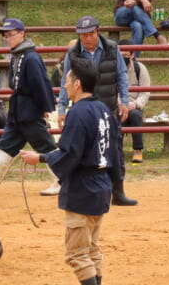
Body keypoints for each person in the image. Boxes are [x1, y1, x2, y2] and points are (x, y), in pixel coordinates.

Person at [19, 57, 114, 285]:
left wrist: (40, 157)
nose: (64, 86)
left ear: (77, 84)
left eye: (67, 81)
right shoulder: (104, 110)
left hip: (83, 188)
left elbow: (69, 154)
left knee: (76, 252)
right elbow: (113, 150)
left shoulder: (79, 113)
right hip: (101, 185)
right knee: (92, 248)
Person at [58, 16, 137, 206]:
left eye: (90, 34)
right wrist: (62, 107)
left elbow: (121, 76)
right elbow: (65, 82)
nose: (87, 38)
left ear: (97, 32)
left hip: (108, 106)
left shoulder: (112, 48)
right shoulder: (73, 52)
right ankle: (80, 188)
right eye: (83, 35)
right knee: (82, 149)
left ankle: (118, 191)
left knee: (115, 150)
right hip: (84, 110)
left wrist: (124, 101)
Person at [0, 18, 59, 194]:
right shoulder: (19, 55)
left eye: (12, 35)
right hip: (19, 113)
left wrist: (46, 108)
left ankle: (64, 180)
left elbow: (41, 84)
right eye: (6, 36)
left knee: (46, 147)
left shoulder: (30, 58)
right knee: (5, 146)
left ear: (22, 34)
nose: (8, 38)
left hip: (29, 112)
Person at [118, 39, 151, 164]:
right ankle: (117, 150)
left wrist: (136, 104)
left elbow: (145, 92)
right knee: (117, 117)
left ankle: (137, 150)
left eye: (126, 55)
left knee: (136, 115)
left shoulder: (140, 68)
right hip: (119, 105)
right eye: (120, 55)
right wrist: (120, 103)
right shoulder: (112, 69)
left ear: (132, 55)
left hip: (135, 105)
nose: (123, 58)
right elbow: (111, 90)